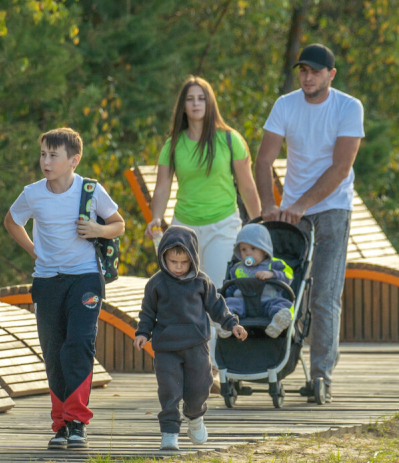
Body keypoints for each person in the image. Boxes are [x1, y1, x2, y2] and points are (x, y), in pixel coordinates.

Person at [4, 127, 126, 451]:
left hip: (85, 277)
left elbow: (119, 224)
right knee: (54, 350)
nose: (45, 161)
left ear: (74, 160)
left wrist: (98, 228)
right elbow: (11, 221)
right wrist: (33, 250)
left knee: (80, 344)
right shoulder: (32, 193)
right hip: (46, 280)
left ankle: (78, 422)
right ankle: (60, 425)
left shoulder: (90, 190)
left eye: (53, 155)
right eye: (43, 154)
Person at [255, 43, 363, 402]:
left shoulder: (348, 108)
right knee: (287, 290)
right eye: (303, 70)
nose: (307, 77)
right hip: (291, 213)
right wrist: (270, 205)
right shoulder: (285, 105)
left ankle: (321, 376)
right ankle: (280, 366)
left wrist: (301, 204)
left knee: (324, 295)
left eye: (315, 72)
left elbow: (341, 167)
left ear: (331, 75)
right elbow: (264, 160)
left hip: (332, 208)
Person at [147, 76, 260, 381]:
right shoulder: (173, 145)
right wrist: (156, 218)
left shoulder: (229, 139)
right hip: (185, 228)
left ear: (210, 103)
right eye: (190, 99)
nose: (196, 104)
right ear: (182, 106)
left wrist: (259, 224)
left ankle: (212, 368)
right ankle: (203, 369)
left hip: (224, 224)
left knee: (214, 293)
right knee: (189, 299)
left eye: (201, 98)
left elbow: (247, 186)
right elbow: (162, 187)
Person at [134, 226, 245, 451]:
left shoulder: (201, 282)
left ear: (192, 259)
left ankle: (194, 418)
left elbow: (216, 306)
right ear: (163, 256)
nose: (177, 267)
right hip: (166, 347)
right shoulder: (156, 284)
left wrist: (232, 323)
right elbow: (147, 313)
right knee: (169, 390)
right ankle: (169, 432)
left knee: (199, 386)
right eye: (173, 261)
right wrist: (143, 333)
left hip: (196, 345)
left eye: (183, 262)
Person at [218, 222, 294, 339]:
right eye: (243, 249)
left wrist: (272, 274)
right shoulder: (237, 268)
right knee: (228, 304)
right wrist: (221, 295)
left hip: (268, 301)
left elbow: (288, 277)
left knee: (283, 304)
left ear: (264, 250)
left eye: (253, 248)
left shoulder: (274, 264)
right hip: (243, 303)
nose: (248, 253)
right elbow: (230, 289)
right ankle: (226, 325)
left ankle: (277, 323)